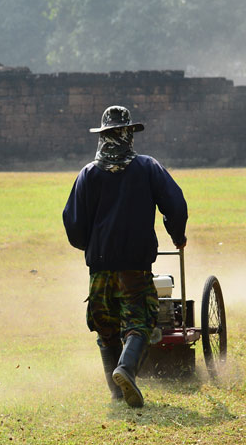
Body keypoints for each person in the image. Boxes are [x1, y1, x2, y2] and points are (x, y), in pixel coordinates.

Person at [63, 106, 187, 409]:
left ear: (103, 137)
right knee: (141, 320)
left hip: (100, 266)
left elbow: (73, 222)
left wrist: (91, 248)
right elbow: (175, 204)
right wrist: (177, 234)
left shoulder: (88, 174)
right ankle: (126, 370)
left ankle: (117, 391)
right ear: (128, 135)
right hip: (135, 263)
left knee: (105, 326)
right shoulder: (147, 167)